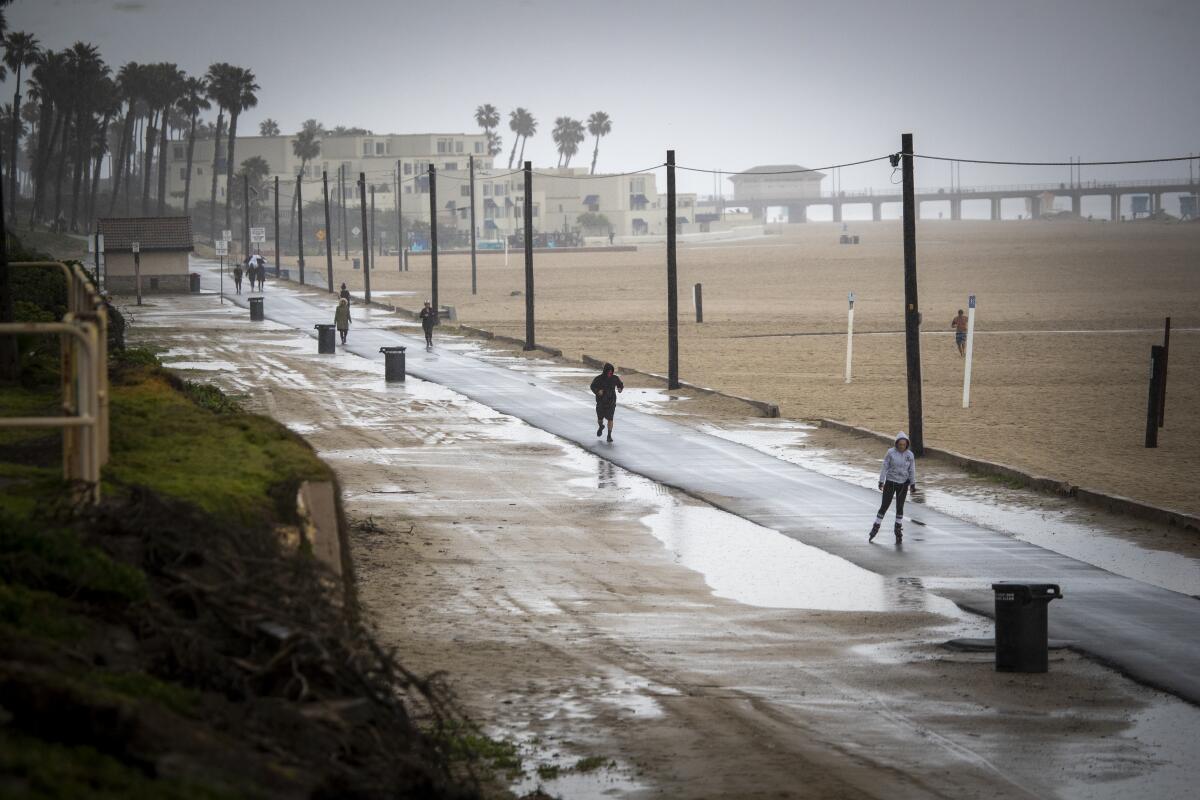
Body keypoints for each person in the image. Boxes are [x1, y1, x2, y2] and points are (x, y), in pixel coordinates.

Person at [869, 432, 916, 543]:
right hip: (890, 482)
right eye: (900, 444)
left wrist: (913, 483)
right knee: (884, 506)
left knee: (900, 508)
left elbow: (912, 470)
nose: (902, 447)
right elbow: (884, 467)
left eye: (904, 445)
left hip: (903, 484)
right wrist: (881, 481)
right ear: (896, 444)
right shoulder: (890, 453)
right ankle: (876, 527)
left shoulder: (910, 455)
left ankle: (898, 530)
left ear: (907, 444)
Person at [590, 363, 624, 443]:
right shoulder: (599, 378)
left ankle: (609, 435)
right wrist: (598, 391)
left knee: (610, 418)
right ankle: (601, 426)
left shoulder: (615, 378)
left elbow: (620, 384)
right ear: (605, 371)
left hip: (611, 401)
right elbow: (592, 386)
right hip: (601, 401)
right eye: (608, 371)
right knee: (600, 419)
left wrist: (620, 389)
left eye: (611, 371)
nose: (610, 373)